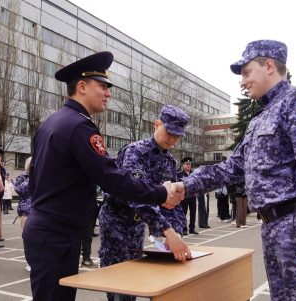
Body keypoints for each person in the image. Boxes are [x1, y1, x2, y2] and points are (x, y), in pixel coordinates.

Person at [173, 40, 296, 300]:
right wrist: (185, 185)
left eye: (246, 72)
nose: (242, 82)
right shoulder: (261, 119)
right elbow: (233, 167)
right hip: (274, 230)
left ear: (269, 66)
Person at [23, 51, 183, 301]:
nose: (108, 93)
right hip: (57, 233)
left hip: (48, 230)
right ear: (82, 86)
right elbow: (111, 178)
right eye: (103, 86)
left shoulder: (52, 122)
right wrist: (161, 193)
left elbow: (35, 180)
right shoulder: (79, 126)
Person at [99, 104, 191, 301]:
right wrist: (166, 230)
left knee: (134, 280)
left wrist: (177, 232)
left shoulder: (169, 162)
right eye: (170, 133)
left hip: (137, 224)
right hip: (117, 222)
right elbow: (137, 196)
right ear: (156, 124)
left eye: (178, 136)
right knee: (118, 282)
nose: (173, 140)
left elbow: (171, 202)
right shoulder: (135, 152)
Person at [14, 156, 33, 272]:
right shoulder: (22, 177)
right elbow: (19, 190)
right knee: (28, 237)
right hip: (26, 210)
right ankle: (29, 261)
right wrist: (32, 177)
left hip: (41, 209)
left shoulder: (44, 175)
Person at [177, 157, 198, 235]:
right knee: (183, 213)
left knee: (193, 213)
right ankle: (184, 228)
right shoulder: (179, 174)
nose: (189, 166)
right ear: (183, 165)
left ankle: (192, 228)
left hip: (192, 196)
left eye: (190, 164)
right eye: (187, 164)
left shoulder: (194, 174)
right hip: (184, 197)